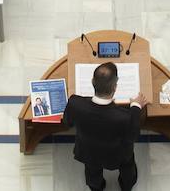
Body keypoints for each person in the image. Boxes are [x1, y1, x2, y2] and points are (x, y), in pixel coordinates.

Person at [60, 61, 147, 190]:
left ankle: (96, 186)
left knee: (92, 171)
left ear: (92, 82)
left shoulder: (74, 103)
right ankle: (126, 184)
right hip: (117, 155)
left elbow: (67, 122)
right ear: (115, 87)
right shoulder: (125, 117)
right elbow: (133, 136)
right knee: (128, 165)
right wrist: (136, 105)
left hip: (89, 151)